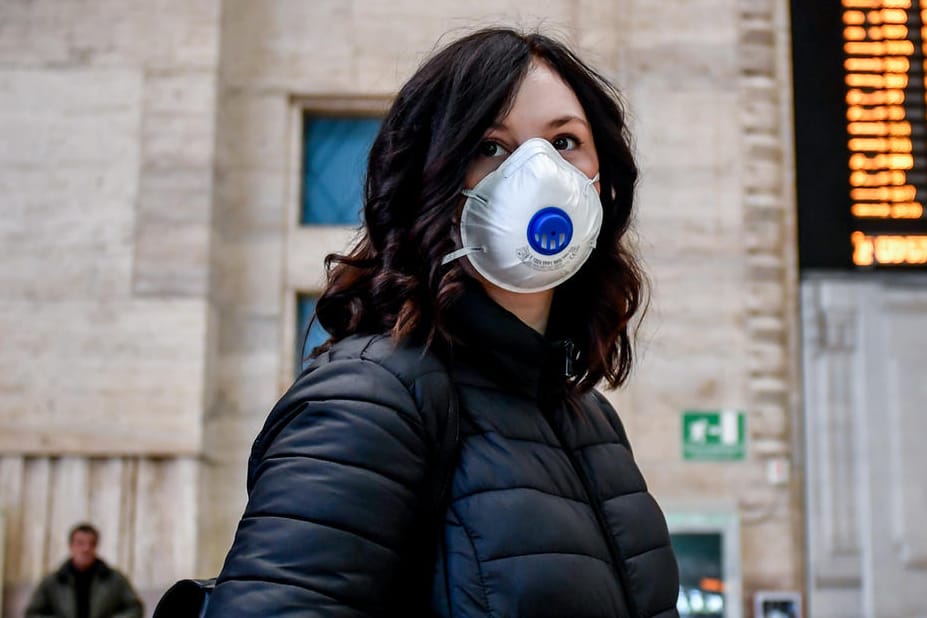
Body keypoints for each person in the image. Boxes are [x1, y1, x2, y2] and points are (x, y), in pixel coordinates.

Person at [207, 27, 680, 617]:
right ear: (430, 181)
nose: (539, 175)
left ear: (603, 180)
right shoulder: (371, 398)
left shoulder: (589, 418)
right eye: (490, 146)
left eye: (564, 142)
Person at [25, 522, 143, 618]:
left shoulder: (114, 579)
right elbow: (33, 613)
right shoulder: (53, 581)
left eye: (91, 544)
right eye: (80, 543)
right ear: (71, 546)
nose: (86, 549)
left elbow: (135, 609)